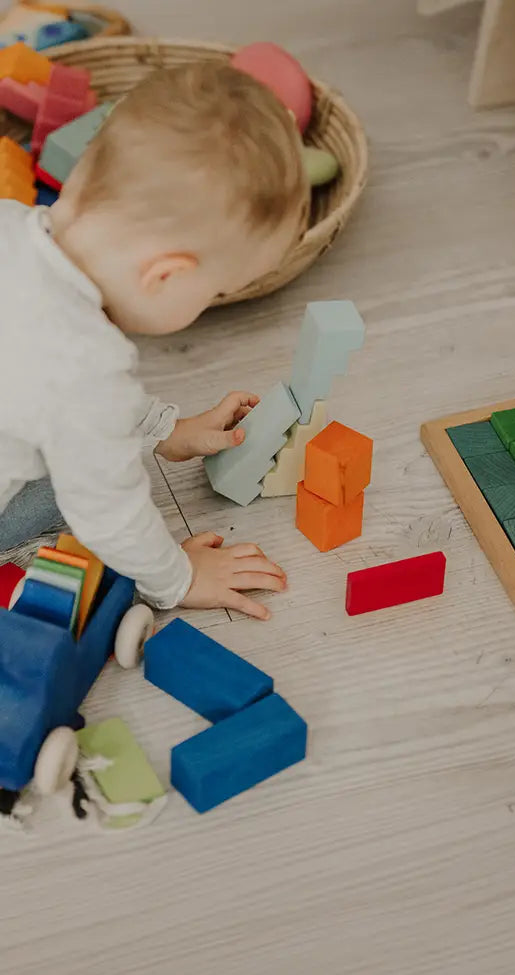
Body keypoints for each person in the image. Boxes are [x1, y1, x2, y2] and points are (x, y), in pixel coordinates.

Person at [0, 61, 311, 620]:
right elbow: (108, 509)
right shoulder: (87, 367)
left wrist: (165, 428)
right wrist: (178, 577)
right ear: (166, 276)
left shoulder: (8, 222)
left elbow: (48, 381)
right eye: (214, 291)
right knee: (94, 476)